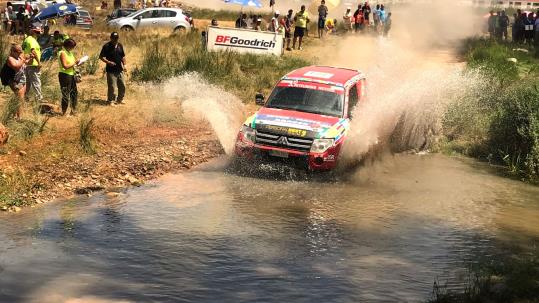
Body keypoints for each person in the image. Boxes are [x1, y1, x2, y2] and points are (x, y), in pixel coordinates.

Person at [3, 44, 33, 120]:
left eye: (20, 52)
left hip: (22, 79)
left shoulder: (19, 57)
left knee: (20, 98)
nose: (19, 53)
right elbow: (16, 67)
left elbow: (28, 63)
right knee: (20, 98)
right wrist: (23, 59)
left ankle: (15, 115)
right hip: (14, 81)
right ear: (12, 51)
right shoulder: (10, 58)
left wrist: (31, 58)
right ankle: (19, 117)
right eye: (18, 52)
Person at [100, 32, 126, 106]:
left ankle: (120, 99)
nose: (115, 40)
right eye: (114, 38)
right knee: (112, 87)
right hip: (111, 71)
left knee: (122, 85)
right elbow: (101, 57)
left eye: (116, 38)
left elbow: (123, 56)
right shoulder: (106, 46)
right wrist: (108, 62)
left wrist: (125, 65)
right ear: (111, 38)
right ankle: (110, 100)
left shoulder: (120, 45)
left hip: (120, 69)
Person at [58, 39, 80, 115]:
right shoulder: (62, 53)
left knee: (74, 93)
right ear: (67, 46)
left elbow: (72, 64)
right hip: (65, 75)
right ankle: (64, 112)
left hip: (71, 75)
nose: (73, 48)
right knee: (66, 94)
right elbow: (65, 66)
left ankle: (73, 111)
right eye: (72, 47)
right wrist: (74, 63)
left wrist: (78, 63)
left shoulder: (69, 53)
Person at [22, 26, 43, 103]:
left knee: (28, 82)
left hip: (28, 63)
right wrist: (38, 62)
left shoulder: (27, 39)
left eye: (39, 32)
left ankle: (25, 97)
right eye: (37, 32)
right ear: (32, 31)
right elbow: (33, 51)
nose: (38, 34)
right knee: (36, 81)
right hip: (33, 64)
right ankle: (39, 98)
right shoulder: (32, 40)